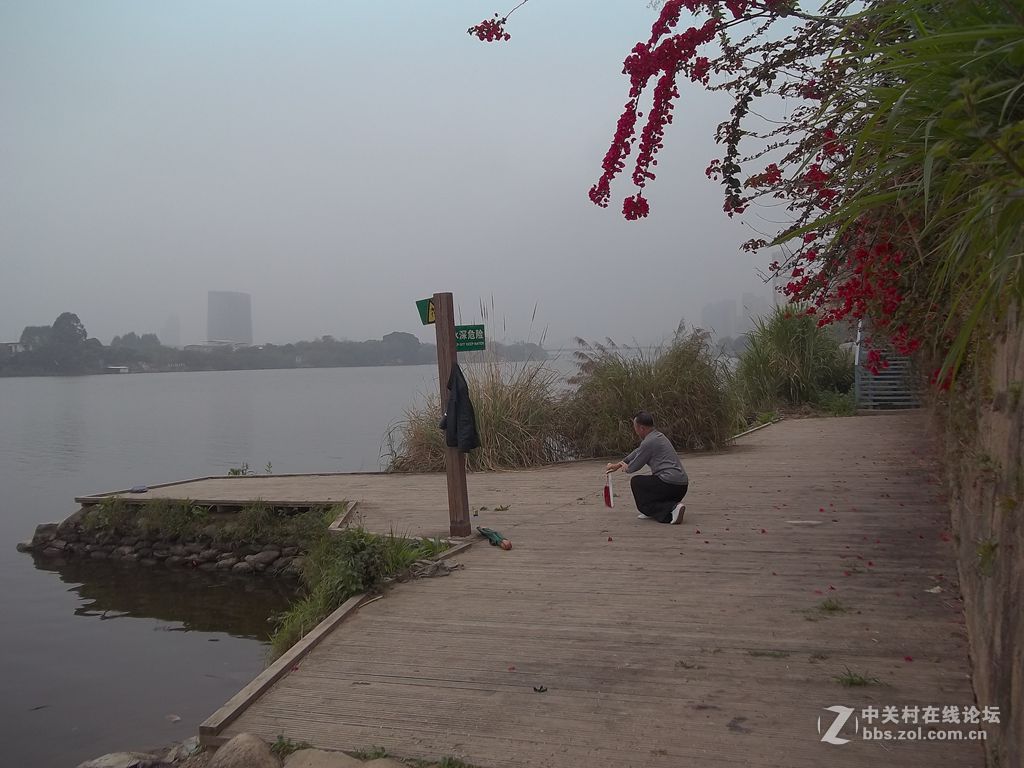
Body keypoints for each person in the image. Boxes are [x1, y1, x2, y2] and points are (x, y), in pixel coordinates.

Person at [605, 411, 688, 524]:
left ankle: (671, 509)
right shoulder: (658, 436)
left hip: (670, 485)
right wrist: (618, 465)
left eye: (635, 427)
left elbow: (633, 468)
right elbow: (637, 452)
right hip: (681, 486)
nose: (634, 430)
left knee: (637, 482)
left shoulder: (649, 442)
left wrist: (626, 468)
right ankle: (658, 510)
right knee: (651, 481)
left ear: (641, 428)